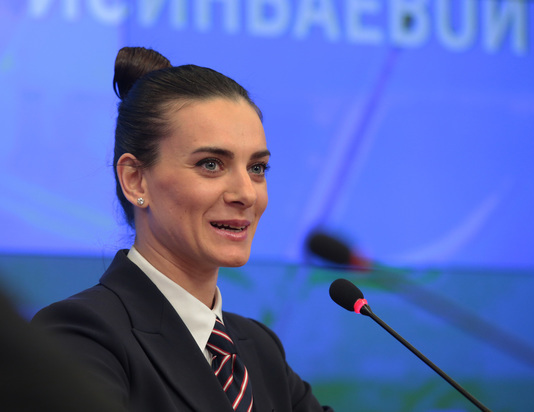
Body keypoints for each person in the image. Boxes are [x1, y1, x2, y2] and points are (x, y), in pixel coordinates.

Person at [32, 47, 332, 412]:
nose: (246, 194)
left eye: (257, 168)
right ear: (136, 180)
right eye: (211, 164)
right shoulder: (80, 335)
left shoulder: (260, 349)